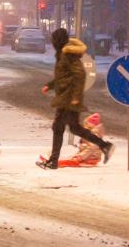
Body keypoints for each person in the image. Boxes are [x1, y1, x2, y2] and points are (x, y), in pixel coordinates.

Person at [37, 28, 114, 170]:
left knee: (58, 127)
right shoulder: (62, 54)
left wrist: (76, 97)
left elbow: (80, 75)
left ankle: (53, 161)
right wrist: (50, 85)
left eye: (54, 40)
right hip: (66, 96)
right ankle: (105, 146)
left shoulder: (68, 54)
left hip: (69, 97)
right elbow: (63, 76)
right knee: (75, 128)